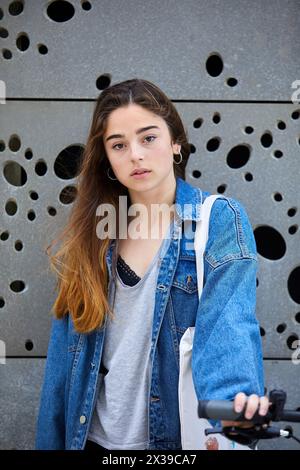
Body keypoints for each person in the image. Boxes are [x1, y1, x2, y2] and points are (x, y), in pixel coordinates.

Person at [35, 78, 270, 451]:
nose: (136, 155)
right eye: (119, 145)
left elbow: (229, 328)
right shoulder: (94, 234)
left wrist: (233, 408)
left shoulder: (216, 221)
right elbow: (63, 369)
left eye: (148, 138)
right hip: (91, 440)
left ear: (175, 143)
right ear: (108, 159)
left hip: (169, 443)